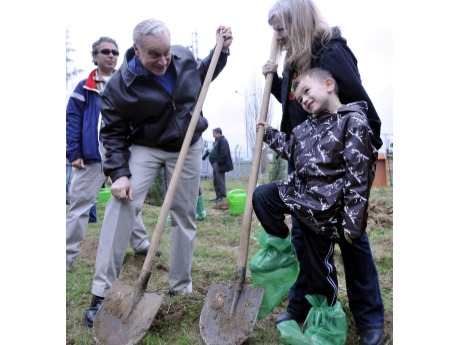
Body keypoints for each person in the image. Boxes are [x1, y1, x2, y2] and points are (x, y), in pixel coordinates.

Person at [84, 18, 233, 328]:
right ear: (137, 50)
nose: (164, 60)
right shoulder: (119, 87)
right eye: (154, 54)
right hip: (147, 146)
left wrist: (221, 52)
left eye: (166, 52)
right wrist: (119, 173)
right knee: (122, 204)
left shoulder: (182, 57)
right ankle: (101, 292)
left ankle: (180, 288)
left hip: (189, 143)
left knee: (184, 213)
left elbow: (201, 76)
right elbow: (110, 134)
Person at [262, 1, 384, 344]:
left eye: (281, 28)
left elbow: (358, 104)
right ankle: (305, 302)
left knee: (351, 239)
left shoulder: (330, 54)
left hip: (337, 165)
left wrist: (360, 155)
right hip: (303, 161)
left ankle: (370, 316)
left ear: (299, 22)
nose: (277, 36)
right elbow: (298, 107)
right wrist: (275, 83)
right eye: (274, 30)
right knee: (304, 238)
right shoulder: (295, 60)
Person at [253, 67, 377, 331]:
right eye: (300, 99)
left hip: (327, 211)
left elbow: (359, 178)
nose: (304, 100)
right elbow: (291, 149)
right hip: (302, 199)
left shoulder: (352, 121)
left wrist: (352, 224)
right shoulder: (306, 127)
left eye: (307, 91)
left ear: (329, 84)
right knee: (262, 196)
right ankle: (282, 252)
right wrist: (268, 133)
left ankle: (328, 319)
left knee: (320, 272)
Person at [66, 36, 153, 274]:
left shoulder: (126, 83)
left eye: (115, 52)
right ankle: (66, 256)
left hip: (120, 153)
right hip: (91, 155)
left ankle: (141, 244)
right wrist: (74, 152)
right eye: (105, 51)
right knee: (81, 204)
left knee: (128, 198)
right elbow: (73, 121)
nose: (111, 55)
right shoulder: (83, 87)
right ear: (95, 56)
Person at [206, 127, 233, 202]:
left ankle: (222, 197)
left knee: (220, 181)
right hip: (215, 164)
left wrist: (218, 163)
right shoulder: (217, 141)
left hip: (219, 165)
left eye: (214, 133)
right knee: (216, 181)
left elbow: (224, 153)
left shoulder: (223, 141)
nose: (213, 135)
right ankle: (218, 197)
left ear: (219, 133)